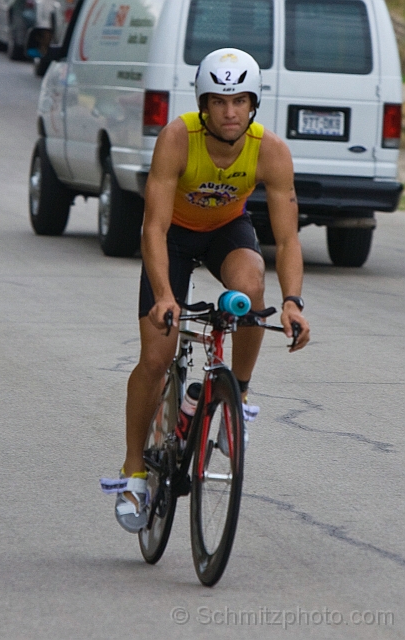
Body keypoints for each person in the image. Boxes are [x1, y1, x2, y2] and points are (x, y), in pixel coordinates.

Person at [110, 48, 310, 532]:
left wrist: (293, 302)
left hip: (226, 230)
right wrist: (164, 295)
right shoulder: (178, 139)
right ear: (203, 104)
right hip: (173, 238)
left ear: (253, 104)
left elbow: (287, 239)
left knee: (251, 287)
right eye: (218, 101)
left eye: (239, 101)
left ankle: (236, 394)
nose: (229, 112)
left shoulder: (271, 151)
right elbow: (152, 228)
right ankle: (134, 468)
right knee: (156, 359)